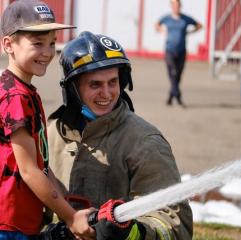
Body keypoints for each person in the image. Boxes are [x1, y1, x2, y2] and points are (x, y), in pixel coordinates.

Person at [0, 1, 95, 239]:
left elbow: (41, 165)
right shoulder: (15, 96)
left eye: (52, 43)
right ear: (8, 44)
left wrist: (65, 203)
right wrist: (70, 217)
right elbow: (29, 170)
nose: (47, 52)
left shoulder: (23, 91)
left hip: (15, 221)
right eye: (37, 43)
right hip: (2, 225)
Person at [48, 31, 193, 240]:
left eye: (113, 82)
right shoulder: (53, 134)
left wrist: (133, 233)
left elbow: (174, 224)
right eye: (95, 84)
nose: (106, 93)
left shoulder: (144, 142)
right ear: (73, 89)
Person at [155, 0, 202, 106]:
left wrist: (190, 32)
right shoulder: (167, 18)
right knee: (172, 73)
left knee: (178, 76)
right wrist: (162, 30)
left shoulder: (185, 19)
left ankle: (171, 97)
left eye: (178, 5)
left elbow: (199, 25)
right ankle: (178, 96)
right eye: (174, 5)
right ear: (171, 7)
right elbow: (156, 24)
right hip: (169, 50)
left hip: (181, 51)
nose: (176, 8)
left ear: (180, 6)